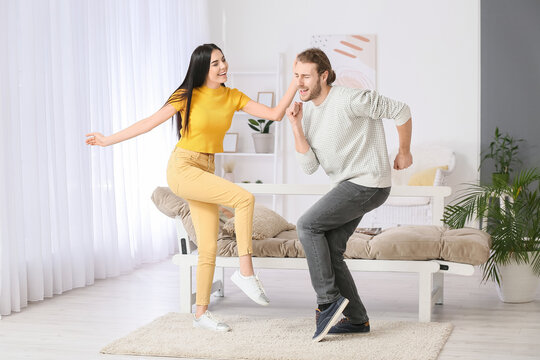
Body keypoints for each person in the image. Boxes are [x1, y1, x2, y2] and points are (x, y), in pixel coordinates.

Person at [86, 43, 297, 332]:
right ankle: (246, 271)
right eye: (215, 63)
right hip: (183, 167)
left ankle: (200, 314)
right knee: (244, 198)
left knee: (208, 245)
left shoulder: (232, 97)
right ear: (202, 68)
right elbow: (149, 123)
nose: (223, 66)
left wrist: (295, 84)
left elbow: (274, 114)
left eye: (223, 60)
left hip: (205, 169)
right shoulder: (187, 95)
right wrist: (107, 140)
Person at [286, 48, 413, 342]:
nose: (299, 83)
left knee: (307, 225)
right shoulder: (308, 115)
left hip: (368, 183)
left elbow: (401, 110)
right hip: (350, 186)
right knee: (330, 249)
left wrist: (404, 151)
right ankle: (357, 320)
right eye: (296, 76)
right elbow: (308, 167)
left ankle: (328, 302)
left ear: (324, 75)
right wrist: (295, 125)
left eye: (305, 76)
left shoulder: (349, 98)